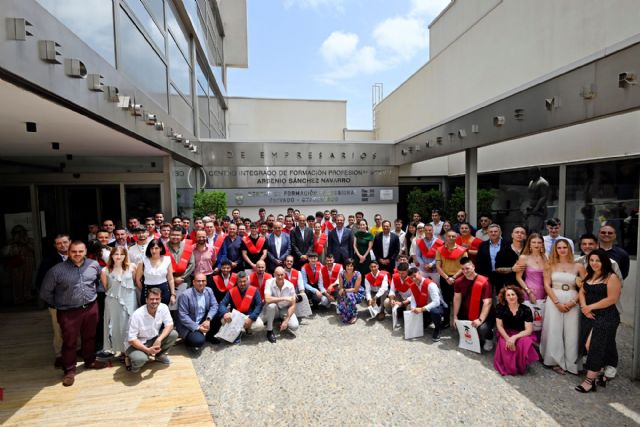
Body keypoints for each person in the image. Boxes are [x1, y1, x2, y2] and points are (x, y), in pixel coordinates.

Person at [40, 241, 107, 386]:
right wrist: (59, 304)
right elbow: (45, 292)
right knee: (69, 342)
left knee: (90, 337)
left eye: (80, 251)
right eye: (74, 251)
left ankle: (89, 361)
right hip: (68, 311)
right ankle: (69, 370)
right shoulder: (56, 270)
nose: (77, 254)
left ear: (85, 251)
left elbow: (96, 282)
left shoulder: (93, 265)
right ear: (69, 252)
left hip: (90, 307)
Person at [575, 249, 622, 392]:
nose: (594, 263)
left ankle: (590, 381)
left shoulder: (611, 277)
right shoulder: (590, 274)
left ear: (604, 262)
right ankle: (602, 368)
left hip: (607, 315)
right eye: (592, 260)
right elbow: (582, 291)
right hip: (589, 314)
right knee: (596, 344)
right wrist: (584, 307)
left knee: (593, 344)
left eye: (598, 260)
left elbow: (612, 299)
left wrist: (590, 307)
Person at [540, 240, 586, 375]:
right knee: (554, 329)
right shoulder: (550, 265)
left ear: (569, 249)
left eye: (564, 247)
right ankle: (555, 361)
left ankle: (572, 363)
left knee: (572, 330)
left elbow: (585, 286)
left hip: (573, 297)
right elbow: (547, 285)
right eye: (559, 247)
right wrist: (557, 303)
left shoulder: (579, 266)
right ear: (555, 249)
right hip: (554, 297)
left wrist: (573, 302)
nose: (562, 250)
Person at [35, 234, 70, 368]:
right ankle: (59, 355)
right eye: (59, 243)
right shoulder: (48, 261)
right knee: (58, 329)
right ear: (55, 246)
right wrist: (52, 300)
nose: (63, 245)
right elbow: (40, 283)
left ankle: (77, 350)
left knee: (76, 329)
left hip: (76, 302)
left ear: (70, 242)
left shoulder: (78, 257)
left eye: (65, 242)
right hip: (57, 303)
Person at [126, 287, 178, 373]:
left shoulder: (163, 307)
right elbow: (131, 340)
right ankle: (132, 363)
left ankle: (159, 356)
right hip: (136, 344)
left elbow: (170, 325)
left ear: (160, 299)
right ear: (146, 300)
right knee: (141, 359)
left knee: (173, 334)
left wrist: (159, 339)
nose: (154, 301)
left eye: (157, 299)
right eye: (151, 299)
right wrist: (147, 350)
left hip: (153, 338)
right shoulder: (137, 315)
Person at [100, 247, 138, 362]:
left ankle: (129, 350)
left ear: (125, 255)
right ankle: (120, 350)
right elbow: (106, 287)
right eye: (116, 254)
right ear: (111, 255)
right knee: (116, 325)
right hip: (113, 300)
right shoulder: (105, 270)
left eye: (122, 254)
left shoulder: (132, 267)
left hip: (130, 299)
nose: (118, 256)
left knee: (129, 324)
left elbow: (135, 282)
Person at [494, 285, 539, 376]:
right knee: (506, 345)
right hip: (505, 332)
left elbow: (529, 330)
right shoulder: (500, 307)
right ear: (505, 298)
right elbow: (499, 326)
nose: (511, 297)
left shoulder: (526, 309)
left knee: (523, 342)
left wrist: (514, 338)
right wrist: (508, 339)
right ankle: (511, 367)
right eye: (508, 295)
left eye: (513, 294)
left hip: (521, 333)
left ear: (518, 295)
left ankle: (521, 365)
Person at [453, 257, 495, 351]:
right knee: (459, 326)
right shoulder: (458, 282)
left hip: (484, 313)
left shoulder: (484, 282)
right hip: (466, 311)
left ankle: (489, 338)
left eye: (467, 268)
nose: (465, 271)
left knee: (482, 329)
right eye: (462, 269)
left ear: (473, 266)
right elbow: (457, 298)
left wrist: (480, 320)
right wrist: (455, 316)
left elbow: (487, 303)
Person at [212, 271, 264, 341]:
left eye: (244, 281)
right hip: (236, 318)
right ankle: (238, 332)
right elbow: (222, 304)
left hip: (248, 317)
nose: (242, 284)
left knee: (260, 325)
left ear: (247, 280)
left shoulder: (254, 290)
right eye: (240, 282)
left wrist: (251, 318)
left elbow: (259, 305)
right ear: (237, 281)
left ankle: (245, 330)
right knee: (223, 319)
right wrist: (225, 313)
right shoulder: (232, 291)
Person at [176, 273, 219, 350]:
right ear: (193, 282)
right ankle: (189, 338)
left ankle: (209, 336)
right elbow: (183, 316)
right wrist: (198, 327)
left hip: (202, 319)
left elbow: (214, 305)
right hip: (189, 325)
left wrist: (208, 319)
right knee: (198, 341)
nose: (201, 283)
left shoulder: (209, 290)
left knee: (218, 314)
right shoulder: (185, 295)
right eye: (198, 281)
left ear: (206, 282)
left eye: (203, 281)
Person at [436, 230, 468, 328]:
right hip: (444, 278)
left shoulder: (462, 250)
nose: (451, 238)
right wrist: (447, 278)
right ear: (445, 237)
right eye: (449, 236)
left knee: (459, 300)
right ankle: (446, 321)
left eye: (453, 236)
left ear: (456, 238)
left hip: (458, 278)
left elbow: (465, 266)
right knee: (445, 300)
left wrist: (453, 277)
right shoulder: (439, 249)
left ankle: (459, 322)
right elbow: (438, 266)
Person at [263, 267, 299, 343]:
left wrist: (286, 320)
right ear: (274, 275)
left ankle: (281, 321)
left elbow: (293, 305)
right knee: (271, 305)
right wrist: (284, 298)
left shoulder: (290, 285)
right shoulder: (269, 282)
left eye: (281, 275)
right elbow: (267, 299)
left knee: (294, 326)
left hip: (285, 309)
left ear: (285, 275)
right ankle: (269, 331)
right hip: (274, 309)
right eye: (277, 275)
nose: (280, 277)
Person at [135, 239, 176, 306]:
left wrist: (173, 294)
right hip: (147, 290)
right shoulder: (143, 260)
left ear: (161, 248)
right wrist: (143, 290)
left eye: (156, 248)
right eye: (152, 248)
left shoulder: (167, 259)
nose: (154, 251)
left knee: (162, 312)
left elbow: (170, 279)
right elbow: (138, 279)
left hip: (164, 291)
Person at [409, 268, 446, 341]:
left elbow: (436, 302)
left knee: (434, 312)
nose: (413, 278)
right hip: (425, 305)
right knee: (420, 322)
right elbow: (413, 298)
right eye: (411, 277)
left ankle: (437, 328)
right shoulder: (413, 285)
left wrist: (422, 309)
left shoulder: (430, 284)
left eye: (414, 276)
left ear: (419, 273)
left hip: (438, 306)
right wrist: (412, 308)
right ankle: (428, 320)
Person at [166, 226, 195, 311]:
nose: (175, 237)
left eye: (178, 235)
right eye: (173, 235)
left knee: (184, 306)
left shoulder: (187, 247)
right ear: (169, 235)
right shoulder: (163, 248)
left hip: (185, 281)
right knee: (170, 307)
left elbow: (192, 264)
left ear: (182, 236)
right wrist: (173, 279)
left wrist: (181, 278)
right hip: (168, 283)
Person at [515, 233, 547, 305]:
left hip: (543, 294)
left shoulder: (545, 258)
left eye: (539, 242)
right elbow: (518, 277)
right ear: (529, 244)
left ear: (542, 244)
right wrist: (528, 292)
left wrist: (548, 293)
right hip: (529, 293)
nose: (536, 245)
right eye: (533, 242)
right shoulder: (523, 257)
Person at [494, 225, 527, 289]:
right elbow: (497, 269)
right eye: (517, 232)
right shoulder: (503, 251)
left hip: (527, 286)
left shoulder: (529, 251)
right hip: (509, 287)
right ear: (512, 235)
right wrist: (512, 269)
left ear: (525, 236)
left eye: (522, 233)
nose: (519, 234)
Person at [335, 259, 364, 324]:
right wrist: (342, 290)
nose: (349, 267)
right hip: (346, 291)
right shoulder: (341, 273)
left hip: (356, 293)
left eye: (351, 266)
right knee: (339, 290)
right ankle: (344, 310)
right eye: (348, 266)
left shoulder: (358, 274)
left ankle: (354, 315)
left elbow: (355, 289)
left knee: (349, 295)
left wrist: (344, 290)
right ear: (345, 266)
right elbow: (341, 286)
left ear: (354, 267)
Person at [475, 223, 503, 289]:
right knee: (487, 297)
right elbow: (479, 262)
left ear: (500, 233)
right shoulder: (482, 245)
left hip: (502, 276)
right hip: (486, 275)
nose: (493, 233)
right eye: (491, 232)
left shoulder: (506, 244)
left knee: (501, 297)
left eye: (495, 231)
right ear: (488, 233)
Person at [524, 167, 549, 234]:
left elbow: (544, 197)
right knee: (527, 230)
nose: (530, 175)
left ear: (537, 173)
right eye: (530, 174)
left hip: (538, 210)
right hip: (531, 209)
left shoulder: (543, 183)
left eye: (532, 174)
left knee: (534, 230)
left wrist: (536, 208)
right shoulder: (531, 182)